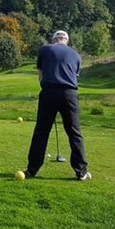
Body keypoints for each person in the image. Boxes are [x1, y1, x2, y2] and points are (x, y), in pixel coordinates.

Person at [25, 30, 91, 180]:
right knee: (74, 132)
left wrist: (48, 88)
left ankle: (32, 170)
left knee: (41, 132)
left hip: (49, 92)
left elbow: (40, 75)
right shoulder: (76, 55)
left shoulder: (44, 50)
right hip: (70, 94)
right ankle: (81, 172)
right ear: (66, 40)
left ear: (54, 40)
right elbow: (74, 77)